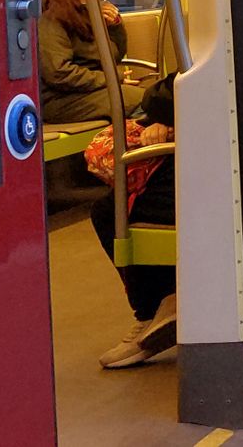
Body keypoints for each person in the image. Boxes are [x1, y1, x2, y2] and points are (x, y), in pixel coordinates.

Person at [88, 73, 178, 369]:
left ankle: (155, 307)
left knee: (111, 210)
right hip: (72, 95)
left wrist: (163, 113)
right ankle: (162, 304)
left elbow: (163, 93)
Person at [39, 0, 143, 123]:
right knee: (137, 101)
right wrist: (111, 79)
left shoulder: (84, 13)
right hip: (58, 99)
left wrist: (114, 26)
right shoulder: (53, 16)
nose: (102, 2)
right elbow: (58, 73)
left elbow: (113, 55)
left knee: (148, 99)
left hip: (84, 90)